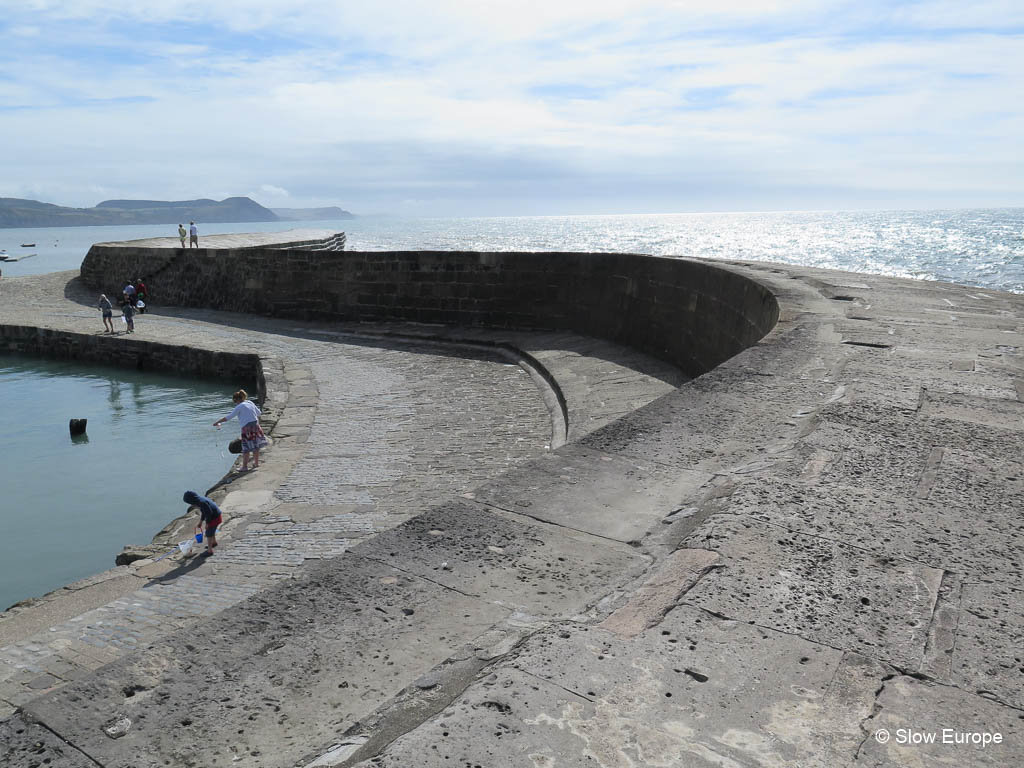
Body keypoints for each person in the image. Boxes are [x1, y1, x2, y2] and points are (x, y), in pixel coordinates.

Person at [213, 389, 269, 471]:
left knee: (246, 448)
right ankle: (256, 464)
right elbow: (259, 413)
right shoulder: (250, 402)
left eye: (234, 402)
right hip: (256, 426)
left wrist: (217, 422)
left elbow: (228, 417)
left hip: (247, 428)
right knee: (256, 446)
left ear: (236, 400)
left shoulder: (239, 407)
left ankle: (245, 467)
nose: (235, 403)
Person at [183, 490, 222, 557]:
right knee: (211, 531)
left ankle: (210, 551)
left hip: (214, 518)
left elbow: (209, 514)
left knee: (208, 534)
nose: (190, 505)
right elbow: (204, 512)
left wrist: (207, 523)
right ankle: (214, 543)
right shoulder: (200, 500)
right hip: (216, 517)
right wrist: (201, 521)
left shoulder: (202, 503)